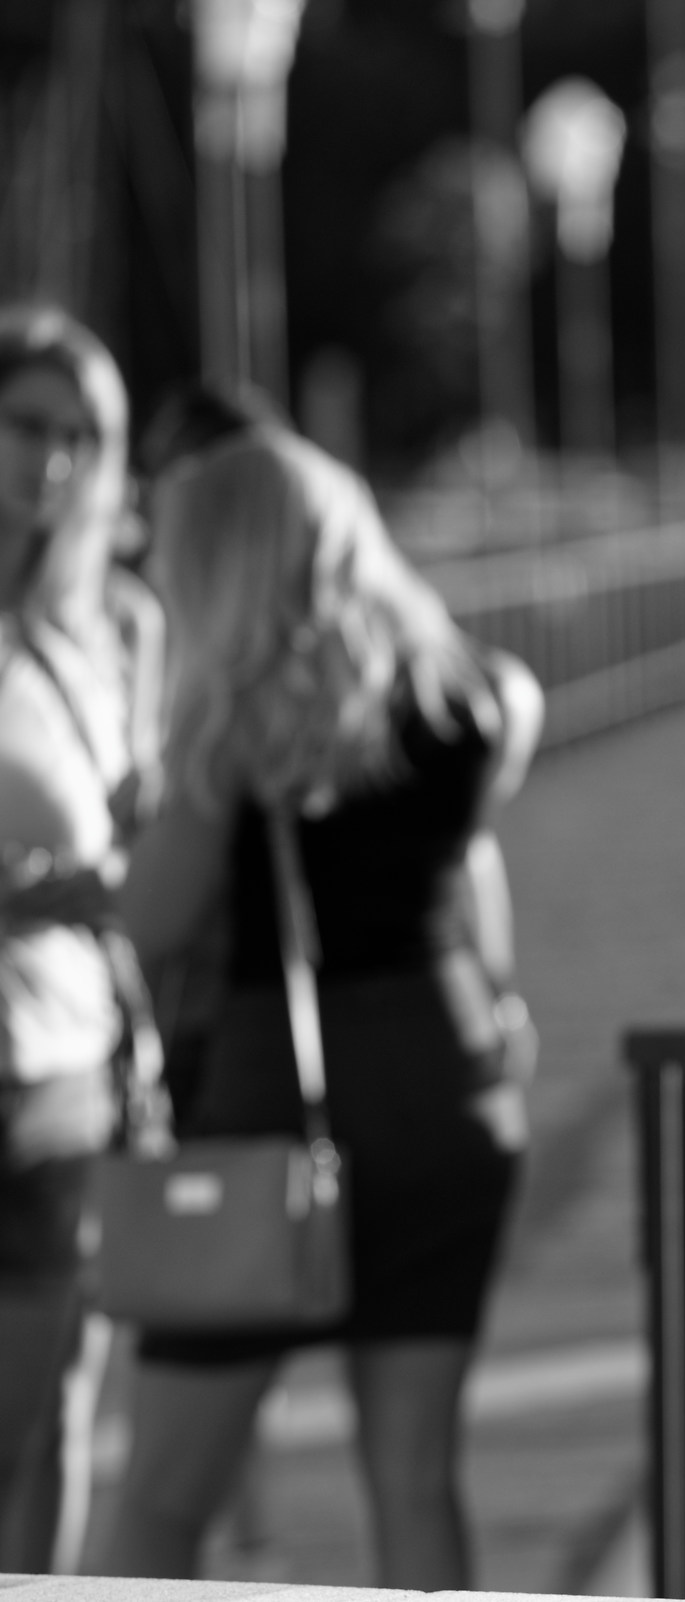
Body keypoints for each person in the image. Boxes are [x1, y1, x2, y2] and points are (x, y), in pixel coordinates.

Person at [108, 423, 541, 1587]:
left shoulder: (230, 736)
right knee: (415, 1477)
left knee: (156, 1501)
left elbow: (147, 925)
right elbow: (478, 841)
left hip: (280, 1105)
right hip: (451, 1092)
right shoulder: (468, 698)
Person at [0, 305, 162, 1571]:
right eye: (26, 426)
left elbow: (147, 827)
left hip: (67, 1058)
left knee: (52, 1408)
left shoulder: (116, 625)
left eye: (80, 435)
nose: (51, 462)